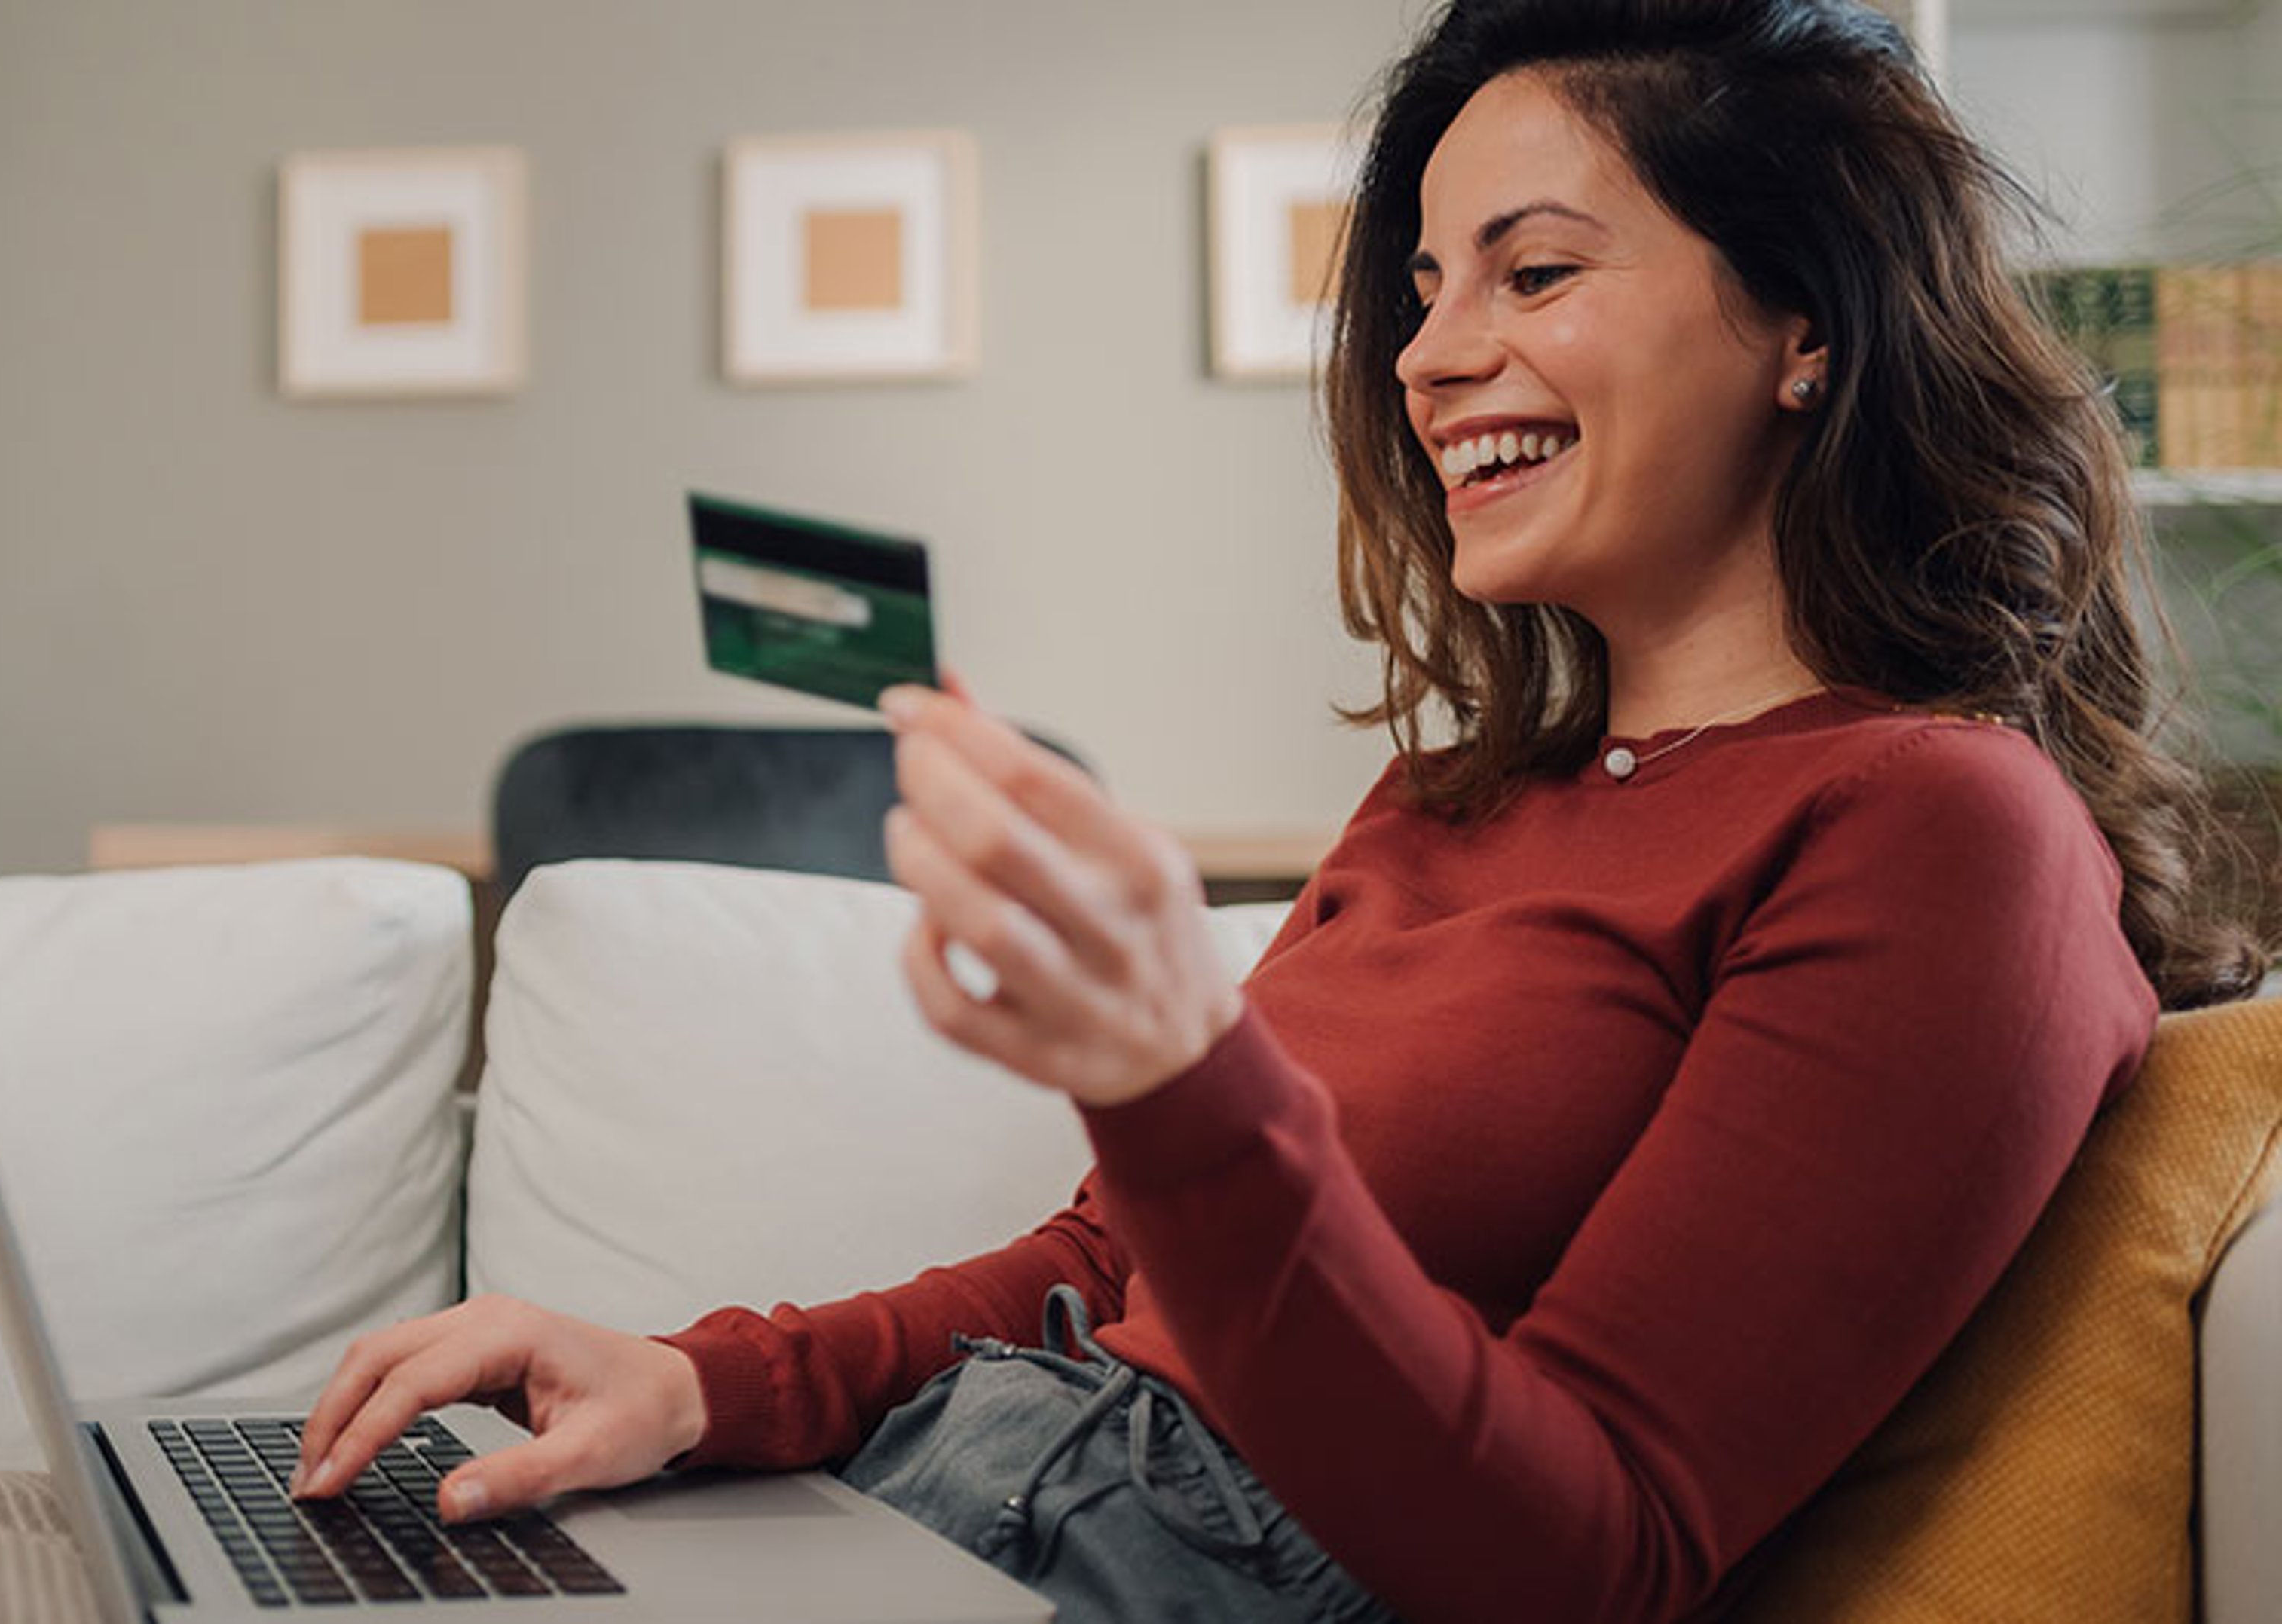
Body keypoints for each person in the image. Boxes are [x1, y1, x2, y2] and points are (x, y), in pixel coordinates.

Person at [292, 2, 2271, 1619]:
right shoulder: (1453, 794)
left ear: (1804, 325)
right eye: (1420, 286)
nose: (1427, 351)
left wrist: (1179, 1074)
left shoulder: (1939, 832)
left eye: (1536, 269)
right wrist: (707, 1379)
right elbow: (1104, 1257)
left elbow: (1590, 1548)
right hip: (956, 1490)